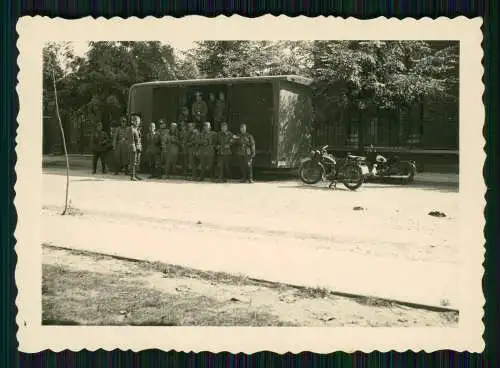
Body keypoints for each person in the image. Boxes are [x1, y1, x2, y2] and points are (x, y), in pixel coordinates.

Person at [127, 115, 142, 181]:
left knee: (137, 162)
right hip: (134, 148)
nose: (138, 122)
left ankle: (136, 175)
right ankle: (132, 176)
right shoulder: (131, 129)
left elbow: (139, 139)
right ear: (133, 121)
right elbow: (131, 140)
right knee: (133, 162)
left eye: (139, 121)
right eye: (137, 121)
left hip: (138, 148)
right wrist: (133, 148)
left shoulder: (137, 129)